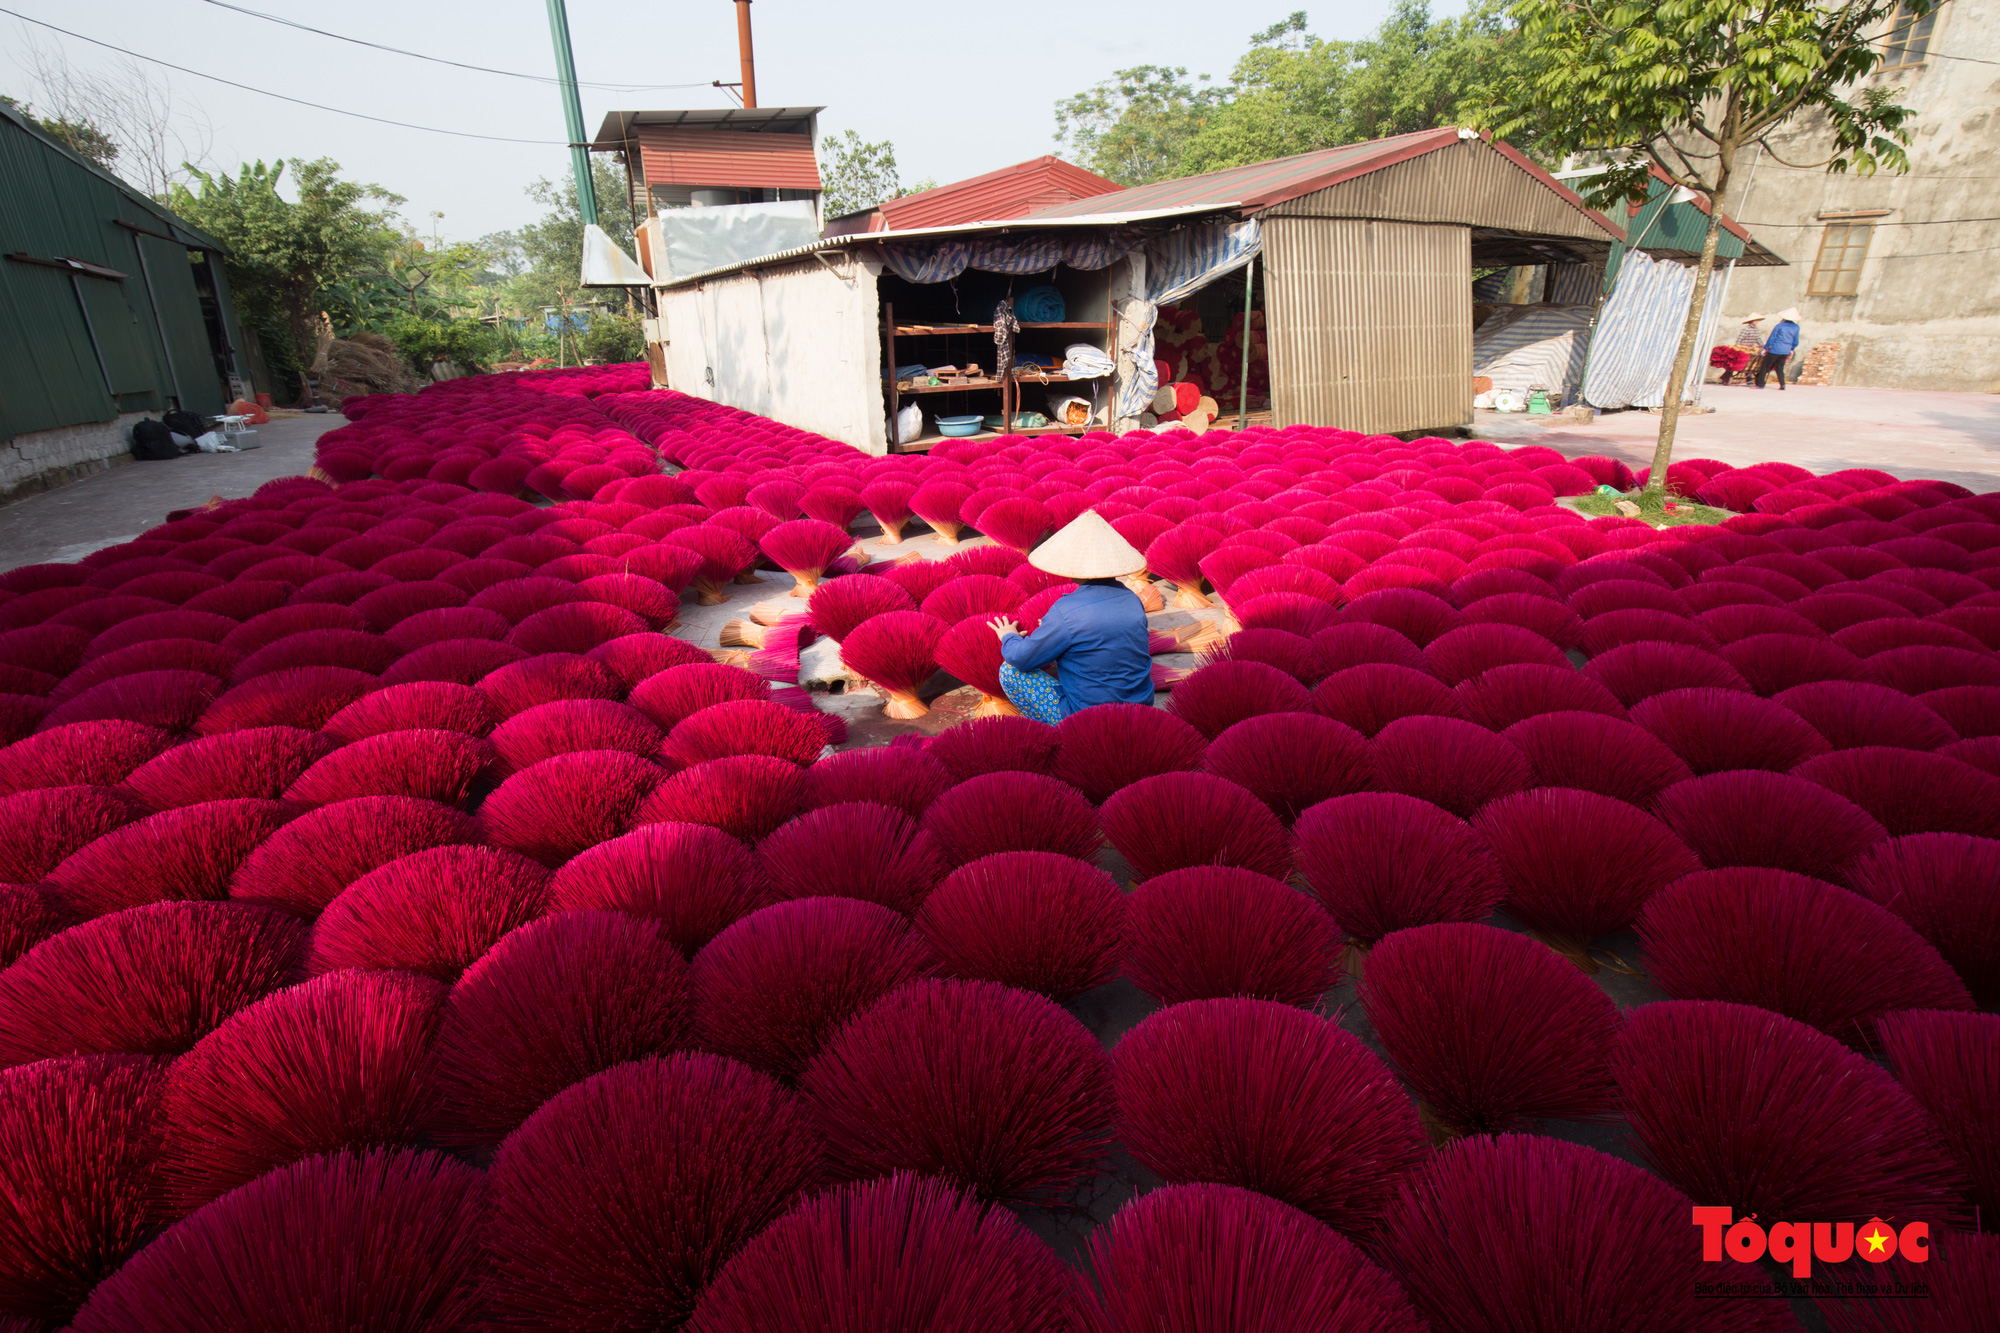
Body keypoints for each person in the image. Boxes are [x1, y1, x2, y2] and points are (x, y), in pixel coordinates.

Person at [988, 511, 1154, 725]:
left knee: (1010, 671)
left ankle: (1059, 734)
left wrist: (1008, 636)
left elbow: (1022, 658)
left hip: (1089, 718)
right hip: (1141, 710)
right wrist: (1058, 631)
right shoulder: (1132, 599)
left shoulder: (1066, 611)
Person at [1754, 308, 1801, 390]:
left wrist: (1765, 348)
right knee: (1779, 368)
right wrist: (1792, 349)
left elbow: (1772, 338)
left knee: (1765, 366)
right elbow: (1796, 340)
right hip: (1786, 350)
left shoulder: (1779, 326)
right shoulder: (1796, 327)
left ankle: (1760, 384)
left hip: (1776, 349)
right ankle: (1782, 385)